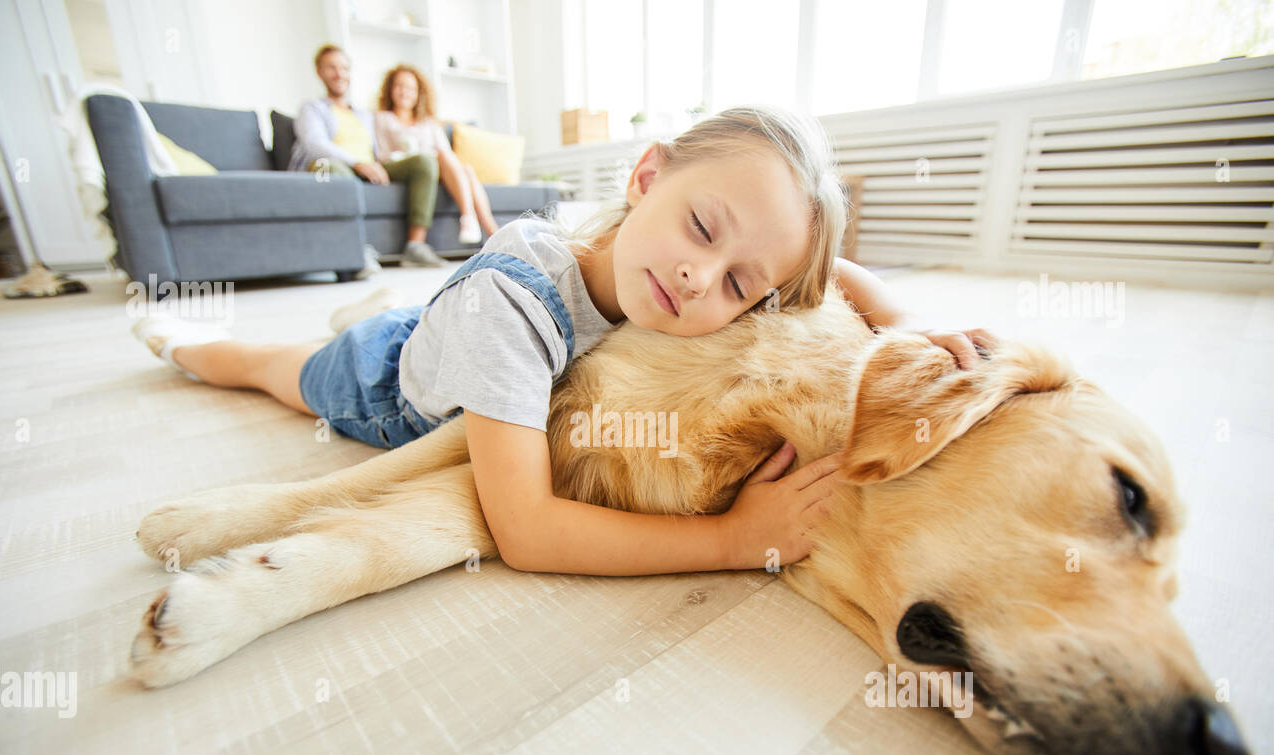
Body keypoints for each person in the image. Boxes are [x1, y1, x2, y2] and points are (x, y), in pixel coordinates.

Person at [133, 105, 993, 577]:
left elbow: (830, 277)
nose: (702, 278)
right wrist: (732, 543)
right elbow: (529, 532)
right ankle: (190, 345)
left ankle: (374, 309)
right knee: (280, 371)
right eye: (701, 227)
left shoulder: (679, 276)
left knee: (392, 319)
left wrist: (909, 329)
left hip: (461, 332)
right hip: (395, 387)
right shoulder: (515, 303)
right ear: (646, 176)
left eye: (740, 283)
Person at [289, 44, 445, 267]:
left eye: (344, 68)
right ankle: (356, 251)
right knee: (334, 168)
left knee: (424, 162)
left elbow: (378, 148)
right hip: (330, 167)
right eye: (331, 67)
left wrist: (378, 164)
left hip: (366, 168)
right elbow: (314, 144)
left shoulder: (364, 115)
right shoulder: (312, 108)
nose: (339, 73)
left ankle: (415, 246)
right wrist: (358, 163)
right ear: (319, 72)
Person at [375, 65, 499, 246]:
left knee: (466, 170)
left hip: (440, 170)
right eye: (399, 86)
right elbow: (383, 155)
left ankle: (491, 231)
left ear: (419, 93)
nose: (405, 92)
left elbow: (446, 153)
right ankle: (471, 220)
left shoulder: (429, 123)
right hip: (409, 169)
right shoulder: (383, 118)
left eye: (410, 88)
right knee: (450, 163)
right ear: (390, 89)